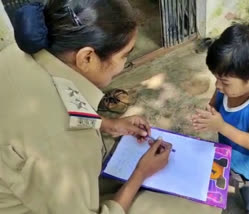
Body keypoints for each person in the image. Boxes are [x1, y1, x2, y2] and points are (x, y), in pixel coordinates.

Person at [0, 0, 220, 214]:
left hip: (26, 181)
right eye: (125, 55)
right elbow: (55, 135)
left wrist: (107, 124)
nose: (124, 64)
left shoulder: (17, 53)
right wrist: (140, 174)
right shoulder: (64, 146)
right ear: (87, 58)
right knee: (201, 206)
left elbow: (57, 104)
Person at [192, 24, 249, 214]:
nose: (217, 85)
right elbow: (214, 104)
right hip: (228, 156)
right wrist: (208, 114)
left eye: (224, 82)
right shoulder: (226, 88)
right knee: (226, 184)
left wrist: (221, 126)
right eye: (216, 78)